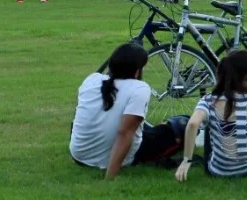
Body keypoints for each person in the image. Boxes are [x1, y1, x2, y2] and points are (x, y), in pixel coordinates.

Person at [70, 43, 186, 179]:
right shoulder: (139, 88)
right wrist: (109, 177)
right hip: (116, 156)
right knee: (183, 125)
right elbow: (125, 134)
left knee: (138, 127)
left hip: (79, 155)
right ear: (137, 71)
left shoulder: (92, 79)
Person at [176, 50, 247, 180]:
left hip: (219, 171)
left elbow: (193, 123)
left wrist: (186, 160)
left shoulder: (209, 100)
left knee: (210, 124)